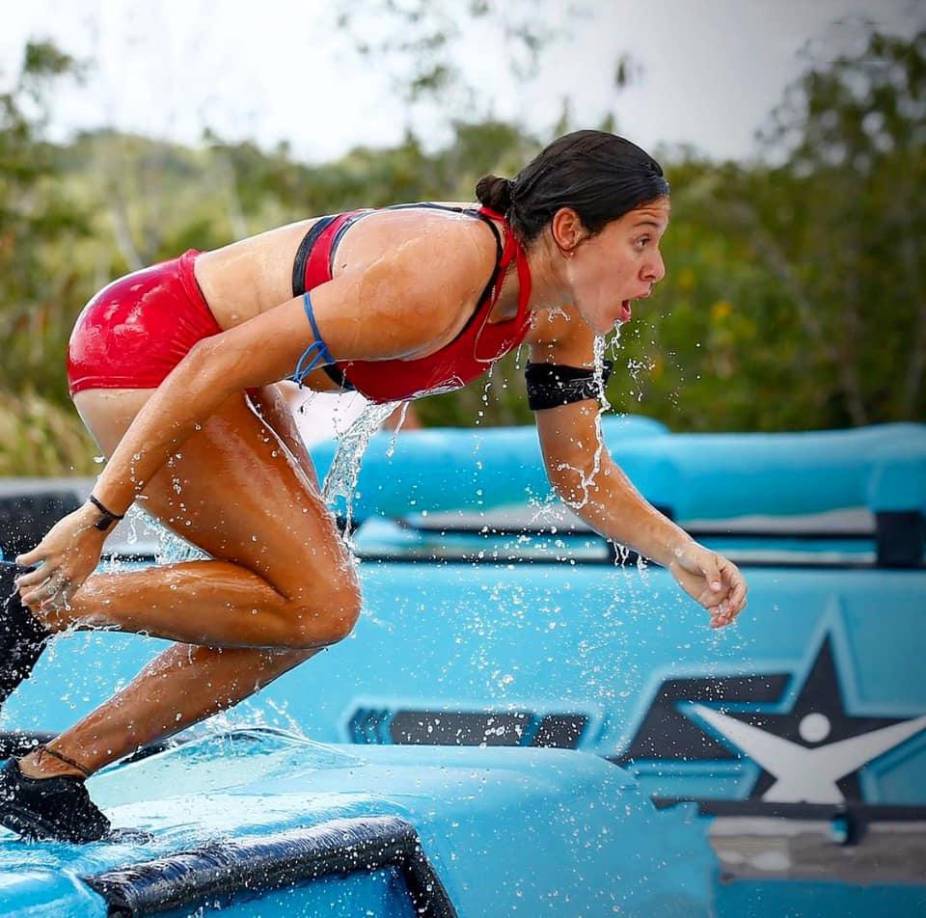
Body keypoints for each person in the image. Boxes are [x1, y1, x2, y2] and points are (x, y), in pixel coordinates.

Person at [0, 130, 747, 842]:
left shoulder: (557, 319)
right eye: (642, 240)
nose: (656, 270)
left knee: (305, 612)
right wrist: (95, 522)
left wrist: (680, 553)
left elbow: (580, 473)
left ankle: (51, 768)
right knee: (320, 602)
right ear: (569, 230)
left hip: (218, 365)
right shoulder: (441, 278)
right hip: (150, 342)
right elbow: (211, 362)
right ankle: (36, 603)